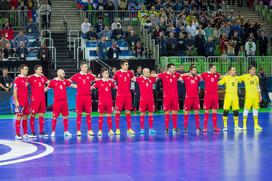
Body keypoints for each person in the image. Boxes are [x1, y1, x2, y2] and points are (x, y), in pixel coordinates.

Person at [47, 69, 77, 137]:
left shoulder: (65, 81)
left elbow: (73, 85)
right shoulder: (53, 81)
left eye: (64, 73)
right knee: (54, 117)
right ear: (59, 73)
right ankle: (53, 132)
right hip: (57, 103)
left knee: (66, 117)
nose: (64, 75)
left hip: (64, 102)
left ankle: (66, 131)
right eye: (63, 73)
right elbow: (46, 89)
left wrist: (83, 87)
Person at [70, 62, 96, 136]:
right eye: (85, 67)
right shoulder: (76, 75)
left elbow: (97, 80)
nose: (86, 68)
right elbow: (68, 82)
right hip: (80, 97)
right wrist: (75, 86)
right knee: (79, 113)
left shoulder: (89, 76)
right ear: (81, 67)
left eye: (87, 67)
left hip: (88, 97)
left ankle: (89, 130)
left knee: (89, 113)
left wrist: (93, 86)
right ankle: (78, 130)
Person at [92, 68, 117, 136]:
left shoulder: (110, 82)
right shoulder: (99, 82)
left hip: (109, 102)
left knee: (109, 117)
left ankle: (110, 130)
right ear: (102, 74)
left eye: (107, 73)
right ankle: (100, 130)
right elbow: (91, 88)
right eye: (106, 73)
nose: (107, 74)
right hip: (101, 102)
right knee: (101, 117)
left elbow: (116, 87)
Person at [157, 63, 181, 134]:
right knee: (167, 112)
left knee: (175, 112)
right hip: (167, 97)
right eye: (173, 68)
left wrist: (188, 73)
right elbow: (155, 75)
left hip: (175, 97)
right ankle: (166, 128)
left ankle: (174, 128)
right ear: (169, 68)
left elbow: (182, 75)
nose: (174, 69)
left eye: (174, 68)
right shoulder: (163, 75)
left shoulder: (176, 75)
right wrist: (145, 75)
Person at [113, 60, 135, 135]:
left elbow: (134, 79)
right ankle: (117, 129)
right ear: (122, 65)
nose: (127, 66)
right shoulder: (117, 73)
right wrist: (117, 87)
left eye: (127, 64)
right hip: (120, 95)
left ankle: (129, 128)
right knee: (118, 111)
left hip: (128, 94)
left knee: (128, 111)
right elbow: (113, 81)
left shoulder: (129, 73)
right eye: (126, 65)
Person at [238, 65, 263, 131]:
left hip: (256, 97)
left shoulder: (256, 77)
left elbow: (258, 87)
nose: (254, 70)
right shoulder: (245, 76)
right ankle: (244, 125)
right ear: (249, 70)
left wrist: (260, 95)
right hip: (248, 97)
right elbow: (236, 78)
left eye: (255, 69)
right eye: (253, 69)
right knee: (246, 110)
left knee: (256, 110)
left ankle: (256, 125)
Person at [28, 65, 50, 138]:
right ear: (36, 70)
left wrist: (46, 88)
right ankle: (33, 132)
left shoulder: (43, 77)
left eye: (41, 69)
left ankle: (41, 132)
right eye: (40, 69)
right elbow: (23, 81)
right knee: (33, 115)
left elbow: (50, 83)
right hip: (35, 99)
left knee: (41, 115)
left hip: (42, 99)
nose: (41, 71)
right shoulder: (31, 77)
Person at [218, 66, 242, 131]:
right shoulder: (226, 78)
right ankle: (225, 126)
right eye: (233, 70)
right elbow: (218, 83)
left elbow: (244, 78)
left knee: (236, 111)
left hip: (235, 96)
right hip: (228, 96)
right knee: (226, 111)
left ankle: (236, 126)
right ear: (230, 71)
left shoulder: (237, 78)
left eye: (235, 70)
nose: (235, 71)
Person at [134, 68, 157, 134]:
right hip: (143, 100)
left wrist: (151, 75)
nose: (149, 73)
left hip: (150, 100)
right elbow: (132, 78)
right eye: (147, 72)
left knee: (151, 114)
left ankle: (151, 129)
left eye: (149, 72)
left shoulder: (152, 79)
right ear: (143, 73)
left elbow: (158, 75)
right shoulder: (139, 79)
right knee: (142, 114)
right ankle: (142, 129)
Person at [181, 65, 202, 134]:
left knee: (196, 113)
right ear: (190, 71)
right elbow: (178, 77)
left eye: (195, 70)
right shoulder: (186, 77)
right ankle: (185, 128)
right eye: (194, 70)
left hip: (196, 98)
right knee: (186, 113)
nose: (195, 72)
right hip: (188, 98)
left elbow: (203, 77)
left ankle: (198, 127)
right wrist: (186, 74)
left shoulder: (197, 77)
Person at [201, 64, 221, 132]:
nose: (215, 69)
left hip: (215, 95)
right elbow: (200, 76)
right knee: (206, 111)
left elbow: (221, 76)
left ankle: (215, 127)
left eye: (215, 68)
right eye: (214, 68)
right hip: (208, 96)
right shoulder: (205, 74)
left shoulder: (217, 75)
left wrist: (228, 74)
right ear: (210, 69)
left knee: (214, 111)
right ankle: (205, 127)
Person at [13, 64, 30, 139]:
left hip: (26, 101)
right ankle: (17, 134)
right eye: (26, 69)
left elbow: (31, 77)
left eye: (27, 69)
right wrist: (16, 101)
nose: (27, 70)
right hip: (20, 101)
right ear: (21, 70)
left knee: (25, 117)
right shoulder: (17, 79)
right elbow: (14, 91)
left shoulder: (26, 78)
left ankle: (25, 133)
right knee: (19, 117)